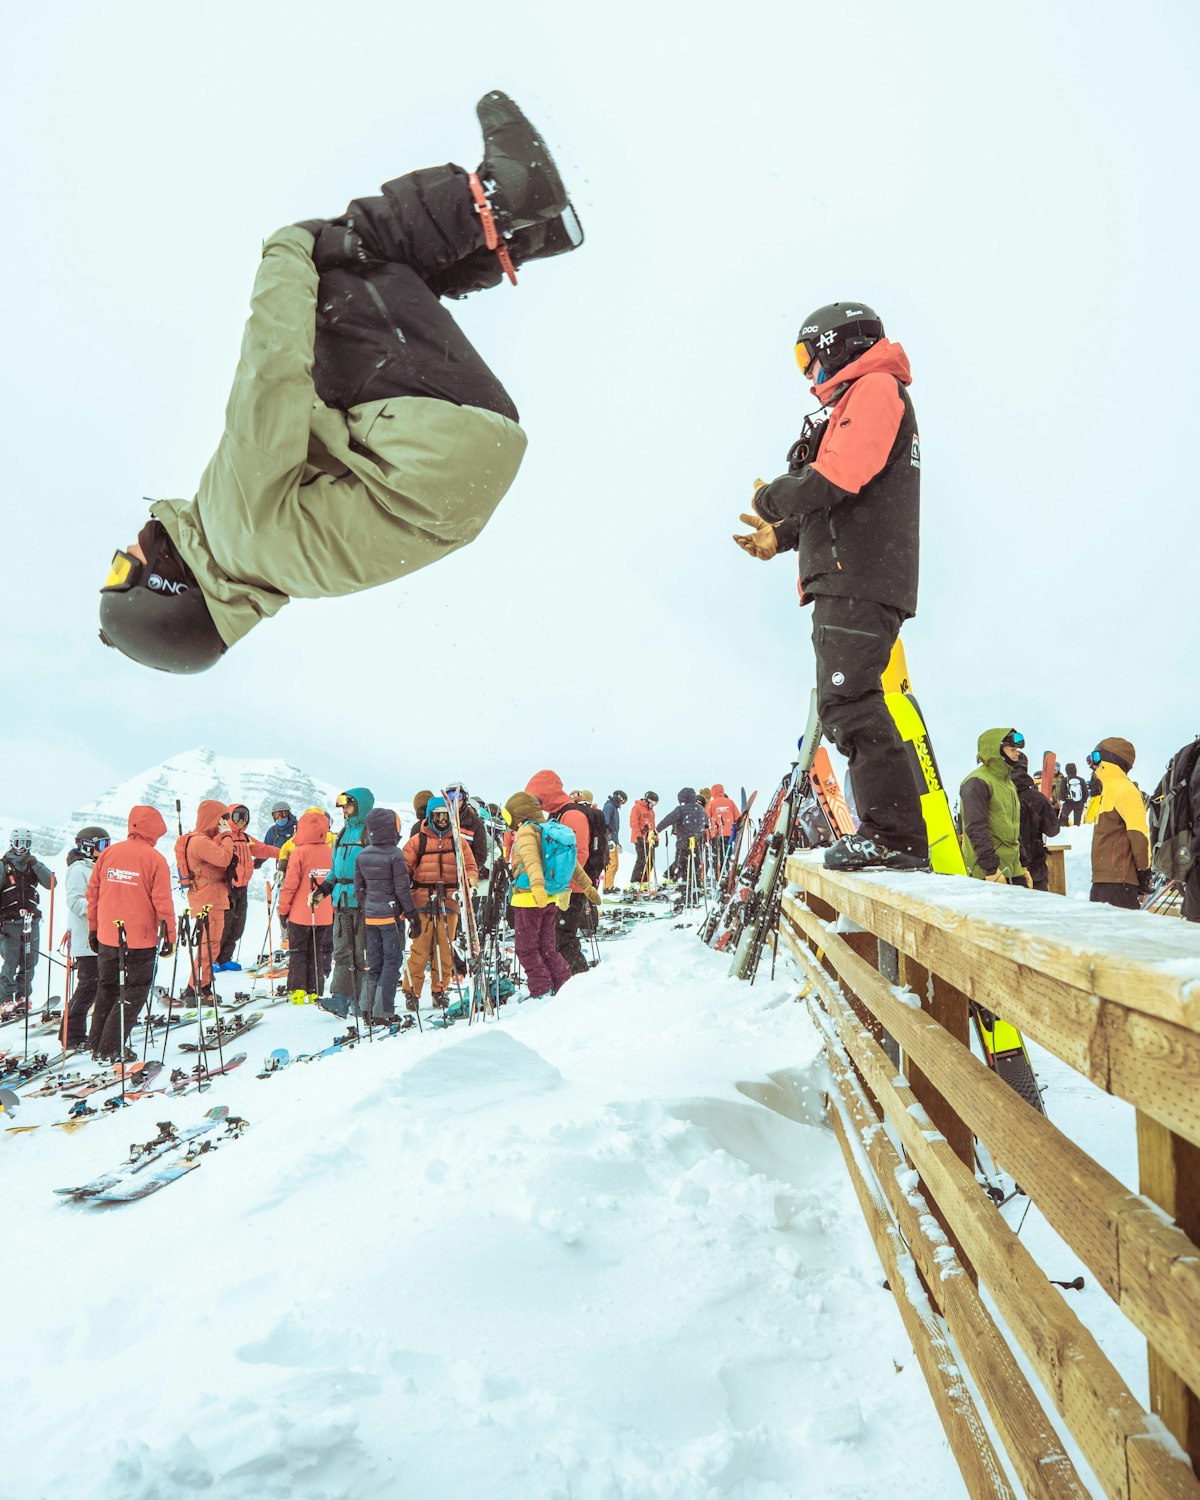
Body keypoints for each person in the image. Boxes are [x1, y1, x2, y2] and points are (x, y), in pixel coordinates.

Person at [97, 91, 581, 674]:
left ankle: (525, 235)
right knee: (327, 263)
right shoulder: (232, 526)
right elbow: (271, 375)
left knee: (337, 336)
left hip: (468, 454)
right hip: (429, 438)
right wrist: (285, 250)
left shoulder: (279, 569)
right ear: (163, 590)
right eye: (123, 571)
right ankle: (502, 199)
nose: (125, 551)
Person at [735, 302, 927, 872]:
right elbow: (843, 496)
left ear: (837, 344)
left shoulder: (875, 387)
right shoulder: (860, 397)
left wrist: (774, 496)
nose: (809, 375)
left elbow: (841, 473)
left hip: (859, 576)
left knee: (850, 701)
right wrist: (783, 536)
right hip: (852, 574)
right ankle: (892, 833)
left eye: (808, 357)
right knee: (848, 700)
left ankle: (894, 834)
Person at [85, 807, 175, 1060]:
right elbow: (163, 904)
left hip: (107, 935)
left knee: (107, 987)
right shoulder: (155, 859)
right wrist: (169, 937)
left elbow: (93, 895)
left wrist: (94, 928)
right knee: (135, 990)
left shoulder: (109, 854)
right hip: (140, 939)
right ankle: (111, 1047)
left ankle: (96, 1041)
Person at [505, 792, 600, 998]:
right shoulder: (549, 830)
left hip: (529, 898)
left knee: (527, 949)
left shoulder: (527, 831)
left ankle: (540, 991)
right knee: (547, 947)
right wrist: (588, 887)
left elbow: (531, 861)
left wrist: (537, 887)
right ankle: (563, 986)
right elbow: (573, 864)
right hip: (550, 899)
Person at [402, 797, 477, 1009]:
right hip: (423, 899)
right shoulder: (418, 841)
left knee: (445, 948)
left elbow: (469, 865)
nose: (442, 820)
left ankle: (440, 990)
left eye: (446, 815)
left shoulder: (458, 841)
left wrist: (470, 879)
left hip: (449, 899)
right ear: (430, 817)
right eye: (438, 816)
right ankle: (411, 992)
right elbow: (404, 866)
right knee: (420, 949)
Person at [311, 788, 376, 1018]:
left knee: (361, 954)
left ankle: (362, 1002)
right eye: (343, 807)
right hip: (341, 901)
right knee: (341, 952)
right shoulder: (341, 834)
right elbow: (335, 870)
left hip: (362, 902)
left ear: (360, 806)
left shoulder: (370, 834)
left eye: (348, 806)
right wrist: (323, 891)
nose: (345, 811)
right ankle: (340, 998)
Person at [525, 771, 596, 975]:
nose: (537, 804)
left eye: (537, 798)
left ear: (547, 794)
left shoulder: (572, 815)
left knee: (562, 936)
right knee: (556, 936)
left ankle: (577, 979)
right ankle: (568, 978)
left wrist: (566, 886)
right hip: (562, 886)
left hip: (570, 889)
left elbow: (578, 853)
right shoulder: (558, 814)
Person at [354, 808, 419, 1024]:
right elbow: (402, 890)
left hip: (370, 917)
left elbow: (359, 890)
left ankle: (366, 1008)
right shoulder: (395, 855)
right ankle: (383, 1011)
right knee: (392, 961)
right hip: (390, 918)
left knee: (375, 964)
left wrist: (369, 907)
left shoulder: (362, 855)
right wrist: (412, 916)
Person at [175, 801, 235, 999]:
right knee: (209, 944)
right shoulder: (200, 842)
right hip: (209, 898)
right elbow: (224, 858)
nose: (225, 822)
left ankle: (199, 985)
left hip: (208, 896)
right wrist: (227, 835)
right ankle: (198, 988)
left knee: (209, 944)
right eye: (223, 818)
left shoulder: (200, 840)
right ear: (213, 818)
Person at [276, 808, 335, 1001]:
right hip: (324, 913)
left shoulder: (299, 852)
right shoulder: (330, 852)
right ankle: (315, 990)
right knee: (317, 952)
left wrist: (283, 910)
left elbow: (290, 885)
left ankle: (297, 990)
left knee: (298, 951)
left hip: (300, 914)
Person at [1088, 738, 1152, 910]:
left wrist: (1144, 871)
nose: (1090, 764)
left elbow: (1139, 834)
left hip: (1119, 883)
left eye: (1094, 757)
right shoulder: (1107, 790)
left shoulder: (1125, 790)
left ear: (1110, 759)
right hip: (1103, 881)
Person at [213, 804, 278, 970]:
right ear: (230, 818)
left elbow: (264, 850)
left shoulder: (246, 838)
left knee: (237, 925)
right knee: (222, 925)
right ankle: (212, 960)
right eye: (237, 817)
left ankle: (225, 958)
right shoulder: (221, 837)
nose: (241, 821)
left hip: (242, 888)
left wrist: (286, 852)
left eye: (245, 817)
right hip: (225, 887)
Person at [959, 730, 1027, 884]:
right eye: (1012, 750)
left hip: (1012, 869)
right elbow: (976, 827)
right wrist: (991, 869)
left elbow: (1013, 829)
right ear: (997, 751)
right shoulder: (977, 782)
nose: (1017, 754)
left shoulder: (1008, 784)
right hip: (989, 873)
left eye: (1016, 750)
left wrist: (1023, 866)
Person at [63, 826, 110, 1048]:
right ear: (88, 846)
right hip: (85, 939)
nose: (106, 849)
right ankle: (71, 1035)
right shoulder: (78, 870)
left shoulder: (96, 867)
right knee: (88, 988)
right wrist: (100, 906)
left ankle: (93, 1031)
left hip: (100, 937)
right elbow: (74, 902)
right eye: (102, 845)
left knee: (98, 986)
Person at [0, 831, 54, 1006]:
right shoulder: (4, 865)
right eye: (18, 842)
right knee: (11, 961)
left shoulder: (34, 865)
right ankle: (5, 999)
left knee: (30, 961)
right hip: (9, 923)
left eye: (25, 843)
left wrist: (36, 865)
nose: (21, 847)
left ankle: (23, 996)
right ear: (11, 843)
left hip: (31, 921)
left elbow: (51, 883)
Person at [1009, 752, 1060, 892]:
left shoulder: (995, 795)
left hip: (1005, 871)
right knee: (1039, 912)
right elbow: (1053, 830)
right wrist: (1049, 809)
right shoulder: (1037, 798)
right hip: (1035, 869)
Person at [656, 788, 708, 887]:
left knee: (682, 866)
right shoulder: (701, 809)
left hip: (683, 843)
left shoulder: (680, 809)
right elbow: (706, 824)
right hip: (697, 843)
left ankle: (683, 890)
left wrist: (656, 830)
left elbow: (667, 820)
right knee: (695, 867)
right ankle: (696, 889)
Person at [705, 783, 739, 871]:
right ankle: (728, 872)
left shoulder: (711, 804)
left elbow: (705, 819)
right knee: (728, 854)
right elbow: (738, 818)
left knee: (717, 857)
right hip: (729, 835)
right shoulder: (730, 802)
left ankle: (719, 874)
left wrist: (707, 835)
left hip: (716, 834)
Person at [629, 793, 660, 889]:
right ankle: (635, 881)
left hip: (649, 839)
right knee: (642, 858)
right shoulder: (637, 808)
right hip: (640, 838)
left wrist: (656, 838)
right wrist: (638, 836)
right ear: (648, 800)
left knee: (650, 859)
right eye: (654, 803)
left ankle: (645, 880)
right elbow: (633, 823)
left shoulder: (651, 812)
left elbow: (653, 826)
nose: (654, 805)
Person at [601, 790, 627, 892]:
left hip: (613, 840)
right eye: (623, 801)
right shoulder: (609, 807)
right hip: (609, 840)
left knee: (614, 864)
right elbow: (605, 823)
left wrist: (616, 842)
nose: (622, 804)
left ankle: (609, 885)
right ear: (619, 798)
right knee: (612, 864)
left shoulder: (614, 807)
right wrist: (609, 839)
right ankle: (607, 887)